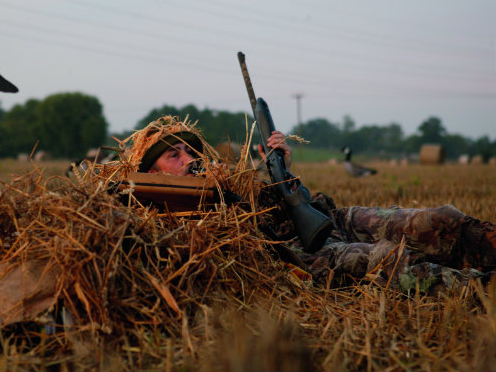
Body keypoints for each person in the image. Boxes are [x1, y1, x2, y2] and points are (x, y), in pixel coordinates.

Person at [120, 116, 496, 293]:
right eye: (173, 155)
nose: (187, 158)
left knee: (437, 221)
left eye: (188, 149)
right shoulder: (165, 216)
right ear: (154, 173)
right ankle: (482, 289)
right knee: (386, 260)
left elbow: (296, 203)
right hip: (302, 256)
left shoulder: (229, 178)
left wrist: (281, 167)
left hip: (325, 221)